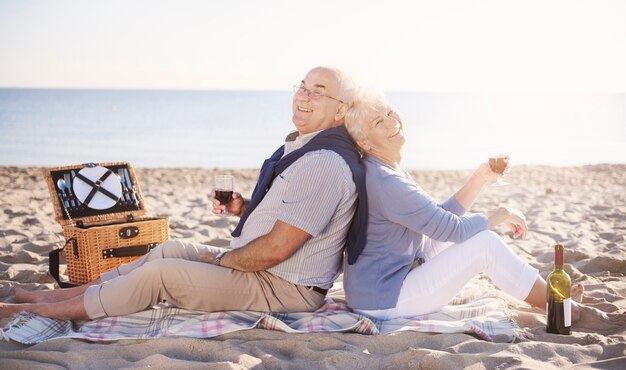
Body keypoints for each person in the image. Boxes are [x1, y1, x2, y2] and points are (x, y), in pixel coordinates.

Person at [0, 66, 367, 321]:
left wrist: (222, 261)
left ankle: (43, 310)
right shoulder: (306, 148)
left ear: (341, 110)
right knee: (172, 249)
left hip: (284, 287)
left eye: (318, 92)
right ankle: (61, 295)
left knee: (161, 275)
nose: (303, 96)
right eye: (302, 86)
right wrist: (244, 208)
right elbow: (293, 216)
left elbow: (276, 249)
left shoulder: (324, 162)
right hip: (265, 269)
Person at [342, 87, 626, 331]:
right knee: (485, 244)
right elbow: (452, 229)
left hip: (391, 277)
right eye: (380, 121)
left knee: (477, 237)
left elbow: (438, 218)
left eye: (390, 112)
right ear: (365, 142)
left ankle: (556, 304)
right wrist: (498, 214)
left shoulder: (386, 167)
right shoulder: (386, 181)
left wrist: (481, 178)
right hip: (383, 299)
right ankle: (565, 311)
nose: (393, 121)